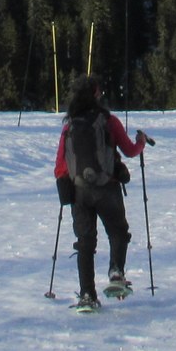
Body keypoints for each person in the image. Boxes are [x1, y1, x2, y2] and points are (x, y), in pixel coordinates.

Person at [53, 73, 153, 311]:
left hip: (79, 191)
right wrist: (141, 142)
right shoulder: (109, 121)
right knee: (118, 232)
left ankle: (87, 295)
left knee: (85, 243)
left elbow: (60, 165)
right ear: (96, 95)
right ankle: (116, 272)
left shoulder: (70, 125)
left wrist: (67, 186)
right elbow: (129, 150)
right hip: (108, 188)